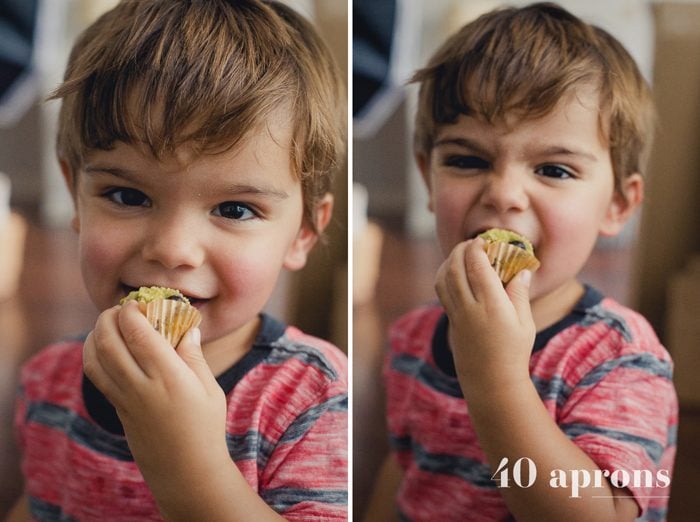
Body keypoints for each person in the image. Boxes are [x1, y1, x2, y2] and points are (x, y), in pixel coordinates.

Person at [9, 1, 347, 520]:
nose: (171, 249)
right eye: (127, 196)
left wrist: (189, 469)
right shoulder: (48, 378)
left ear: (304, 232)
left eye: (234, 209)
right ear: (74, 194)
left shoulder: (314, 398)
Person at [364, 3, 677, 521]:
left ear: (618, 204)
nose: (504, 194)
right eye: (467, 160)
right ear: (428, 177)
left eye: (553, 169)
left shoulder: (621, 359)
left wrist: (496, 380)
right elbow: (406, 472)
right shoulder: (411, 337)